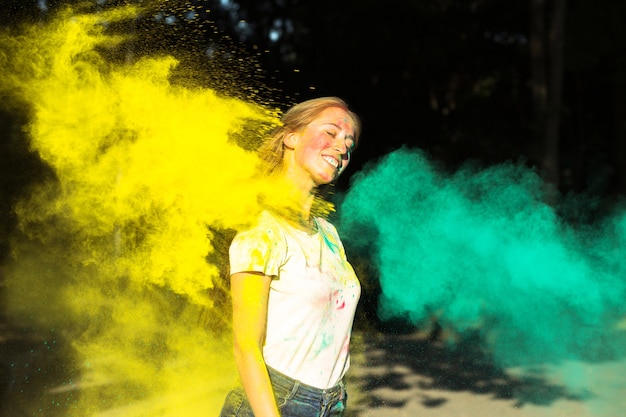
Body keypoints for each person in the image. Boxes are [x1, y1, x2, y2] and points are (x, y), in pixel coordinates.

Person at [218, 97, 362, 417]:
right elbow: (246, 347)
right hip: (278, 402)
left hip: (332, 402)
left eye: (349, 143)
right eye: (331, 133)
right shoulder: (260, 228)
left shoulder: (328, 233)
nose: (342, 147)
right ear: (291, 137)